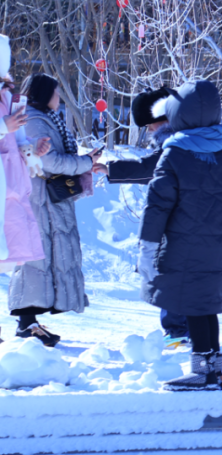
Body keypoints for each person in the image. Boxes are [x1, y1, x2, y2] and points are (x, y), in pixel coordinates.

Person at [137, 81, 222, 391]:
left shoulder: (174, 153)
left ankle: (203, 372)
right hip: (220, 246)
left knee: (194, 307)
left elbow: (157, 205)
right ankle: (214, 370)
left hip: (184, 246)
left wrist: (147, 246)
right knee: (207, 306)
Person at [8, 73, 105, 347]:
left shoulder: (43, 117)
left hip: (46, 199)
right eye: (56, 92)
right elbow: (49, 161)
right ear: (44, 93)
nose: (59, 97)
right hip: (38, 199)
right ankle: (26, 324)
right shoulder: (35, 119)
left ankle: (29, 323)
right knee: (34, 259)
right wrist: (85, 162)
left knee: (42, 258)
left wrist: (86, 161)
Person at [105, 87, 189, 347]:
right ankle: (184, 328)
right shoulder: (188, 135)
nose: (149, 130)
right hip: (191, 217)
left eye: (149, 124)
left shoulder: (175, 142)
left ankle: (176, 330)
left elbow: (151, 168)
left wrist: (110, 169)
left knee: (170, 272)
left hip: (178, 218)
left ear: (162, 118)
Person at [0, 37, 49, 344]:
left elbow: (16, 139)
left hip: (11, 183)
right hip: (5, 182)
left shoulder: (6, 95)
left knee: (4, 252)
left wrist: (34, 150)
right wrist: (4, 126)